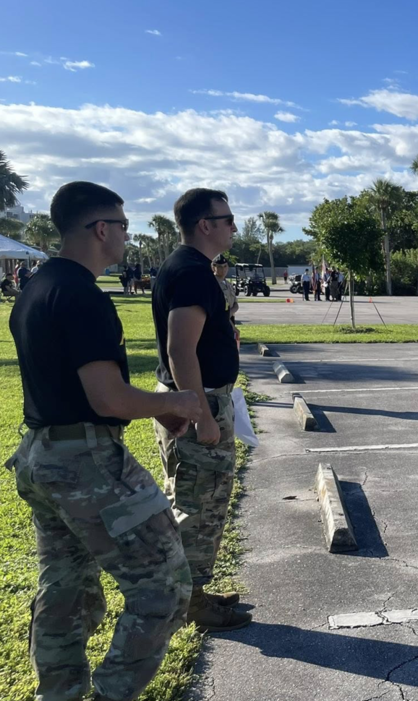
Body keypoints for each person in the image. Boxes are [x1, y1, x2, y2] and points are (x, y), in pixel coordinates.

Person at [5, 181, 201, 701]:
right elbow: (108, 398)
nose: (125, 233)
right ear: (99, 229)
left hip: (40, 453)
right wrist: (175, 402)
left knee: (64, 589)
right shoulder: (83, 294)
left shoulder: (35, 287)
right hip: (87, 459)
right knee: (166, 583)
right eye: (121, 224)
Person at [152, 188, 249, 631]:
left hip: (201, 397)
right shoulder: (191, 272)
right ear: (205, 225)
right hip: (198, 401)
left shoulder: (193, 269)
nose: (234, 226)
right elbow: (180, 349)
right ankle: (189, 601)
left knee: (203, 498)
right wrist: (202, 416)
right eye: (227, 219)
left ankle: (194, 590)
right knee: (197, 502)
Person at [212, 254, 239, 324]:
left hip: (230, 319)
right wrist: (226, 316)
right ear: (213, 267)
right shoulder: (212, 284)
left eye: (225, 266)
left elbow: (235, 303)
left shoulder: (228, 284)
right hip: (218, 320)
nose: (223, 269)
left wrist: (229, 314)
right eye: (220, 267)